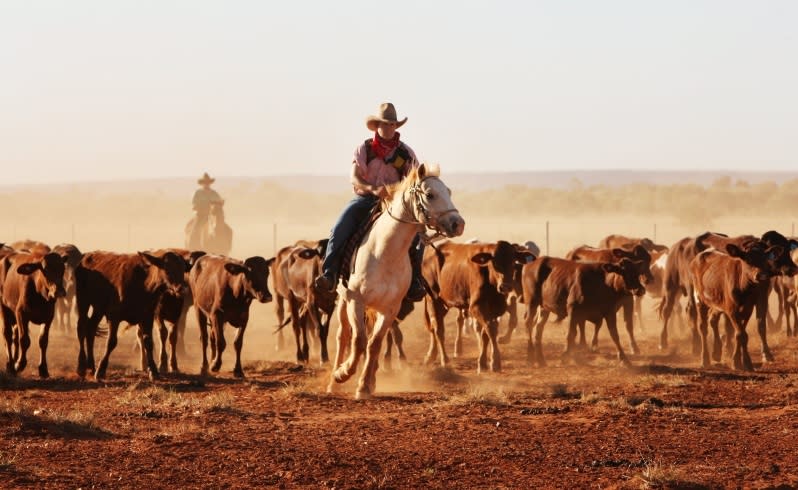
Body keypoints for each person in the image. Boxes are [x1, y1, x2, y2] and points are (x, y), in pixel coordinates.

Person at [314, 102, 427, 301]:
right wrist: (372, 188)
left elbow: (415, 179)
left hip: (395, 205)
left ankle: (415, 280)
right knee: (340, 228)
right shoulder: (365, 149)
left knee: (417, 238)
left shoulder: (406, 153)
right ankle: (329, 274)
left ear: (396, 126)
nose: (389, 127)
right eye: (385, 124)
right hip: (364, 200)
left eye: (392, 124)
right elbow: (355, 177)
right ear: (376, 126)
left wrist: (399, 194)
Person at [189, 172, 223, 247]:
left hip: (213, 215)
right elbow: (194, 204)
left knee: (226, 229)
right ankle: (192, 246)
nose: (207, 184)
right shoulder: (198, 193)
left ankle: (224, 245)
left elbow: (219, 203)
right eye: (205, 182)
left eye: (208, 182)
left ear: (210, 183)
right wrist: (200, 207)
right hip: (200, 215)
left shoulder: (214, 193)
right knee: (195, 230)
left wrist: (219, 203)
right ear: (202, 183)